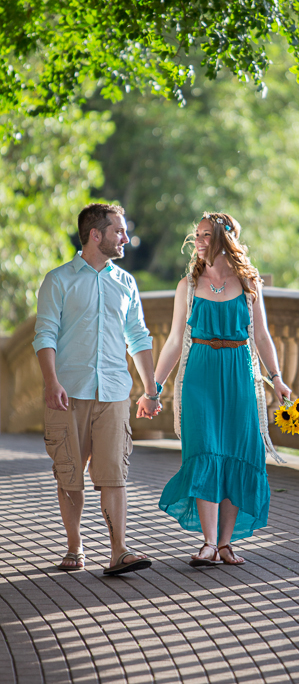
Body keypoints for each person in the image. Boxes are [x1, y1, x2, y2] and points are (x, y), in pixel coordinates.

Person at [137, 212, 289, 566]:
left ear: (225, 238)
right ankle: (207, 543)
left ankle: (225, 543)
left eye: (206, 235)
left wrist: (277, 377)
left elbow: (262, 336)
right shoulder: (187, 285)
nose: (198, 241)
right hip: (200, 376)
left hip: (239, 374)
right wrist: (153, 388)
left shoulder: (249, 283)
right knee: (204, 450)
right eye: (197, 235)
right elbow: (175, 341)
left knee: (238, 453)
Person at [33, 203, 160, 575]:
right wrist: (51, 382)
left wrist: (150, 390)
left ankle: (119, 550)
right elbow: (44, 335)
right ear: (96, 234)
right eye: (118, 231)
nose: (125, 238)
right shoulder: (58, 280)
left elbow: (138, 336)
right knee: (70, 473)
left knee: (114, 473)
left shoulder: (126, 283)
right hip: (69, 391)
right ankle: (74, 546)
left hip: (115, 392)